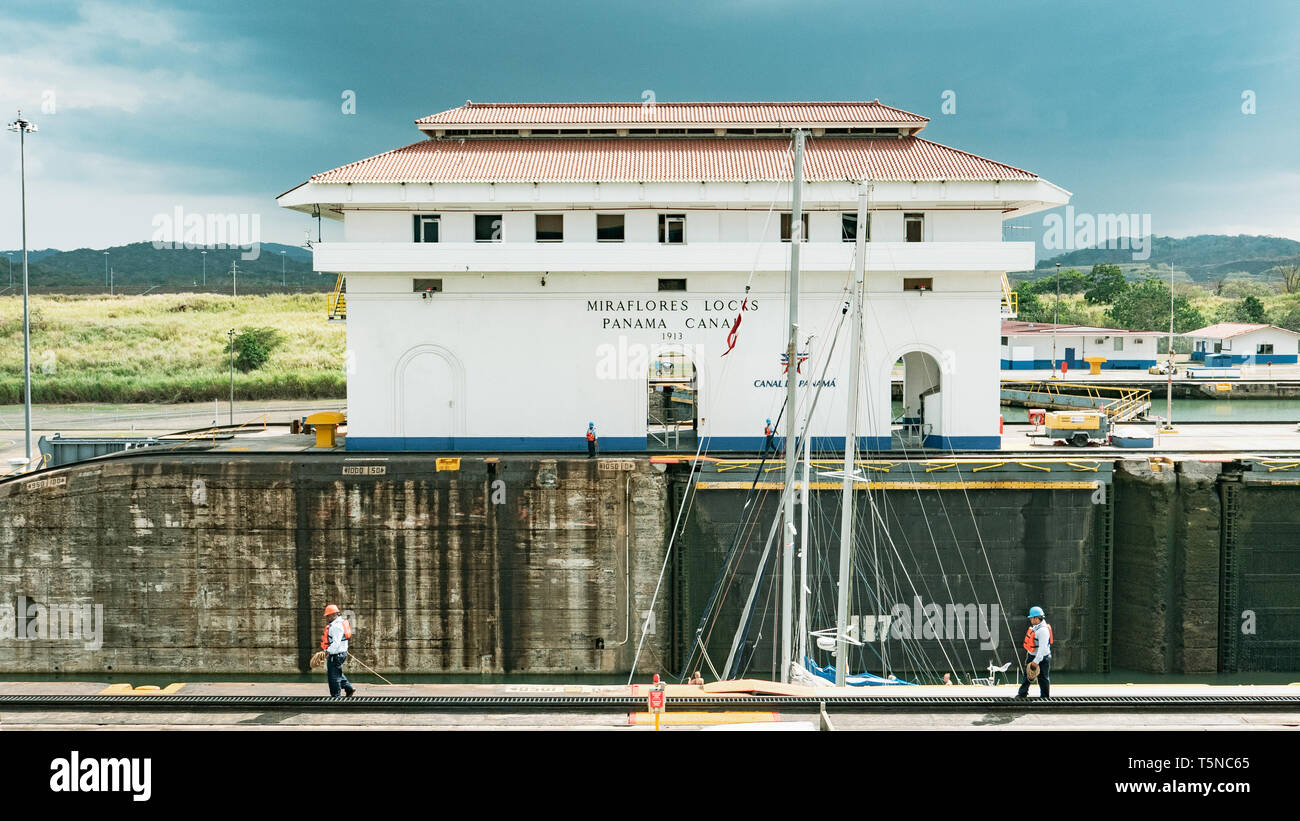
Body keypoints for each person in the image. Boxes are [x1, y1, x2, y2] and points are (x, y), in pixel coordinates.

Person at [1016, 605, 1052, 698]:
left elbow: (1042, 649)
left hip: (1042, 657)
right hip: (1032, 655)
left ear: (1036, 618)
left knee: (1043, 678)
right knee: (1027, 675)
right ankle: (1022, 693)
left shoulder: (1043, 631)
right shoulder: (1035, 627)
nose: (1030, 620)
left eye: (1031, 618)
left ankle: (1045, 696)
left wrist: (1036, 662)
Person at [321, 604, 355, 698]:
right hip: (340, 653)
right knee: (337, 672)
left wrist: (327, 651)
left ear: (334, 614)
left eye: (328, 616)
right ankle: (349, 688)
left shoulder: (336, 626)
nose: (327, 618)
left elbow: (336, 643)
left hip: (336, 654)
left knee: (333, 677)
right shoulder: (339, 623)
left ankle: (336, 697)